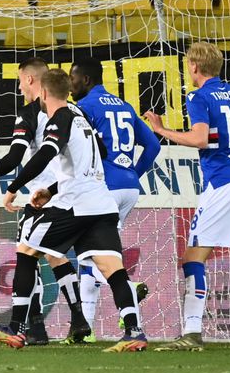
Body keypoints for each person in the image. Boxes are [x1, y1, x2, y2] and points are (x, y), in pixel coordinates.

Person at [0, 69, 149, 353]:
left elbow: (45, 154)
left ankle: (16, 328)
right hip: (102, 205)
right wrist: (51, 190)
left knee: (26, 249)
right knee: (113, 269)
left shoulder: (60, 117)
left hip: (75, 205)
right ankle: (134, 331)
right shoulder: (81, 116)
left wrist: (14, 186)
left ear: (43, 93)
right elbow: (101, 153)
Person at [144, 41, 230, 351]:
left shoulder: (198, 96)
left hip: (222, 183)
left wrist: (162, 130)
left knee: (193, 257)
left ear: (194, 66)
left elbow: (200, 139)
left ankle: (192, 332)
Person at [0, 57, 89, 346]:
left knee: (26, 255)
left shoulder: (30, 112)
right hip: (71, 192)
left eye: (20, 81)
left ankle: (29, 325)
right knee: (53, 255)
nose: (19, 88)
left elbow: (15, 156)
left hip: (43, 196)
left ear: (29, 79)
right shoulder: (73, 110)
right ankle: (75, 318)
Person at [69, 58, 161, 338]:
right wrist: (132, 173)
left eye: (73, 78)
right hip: (128, 188)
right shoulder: (124, 105)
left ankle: (129, 290)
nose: (70, 85)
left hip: (103, 189)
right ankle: (86, 330)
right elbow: (153, 145)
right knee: (93, 255)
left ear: (86, 79)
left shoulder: (84, 107)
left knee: (94, 255)